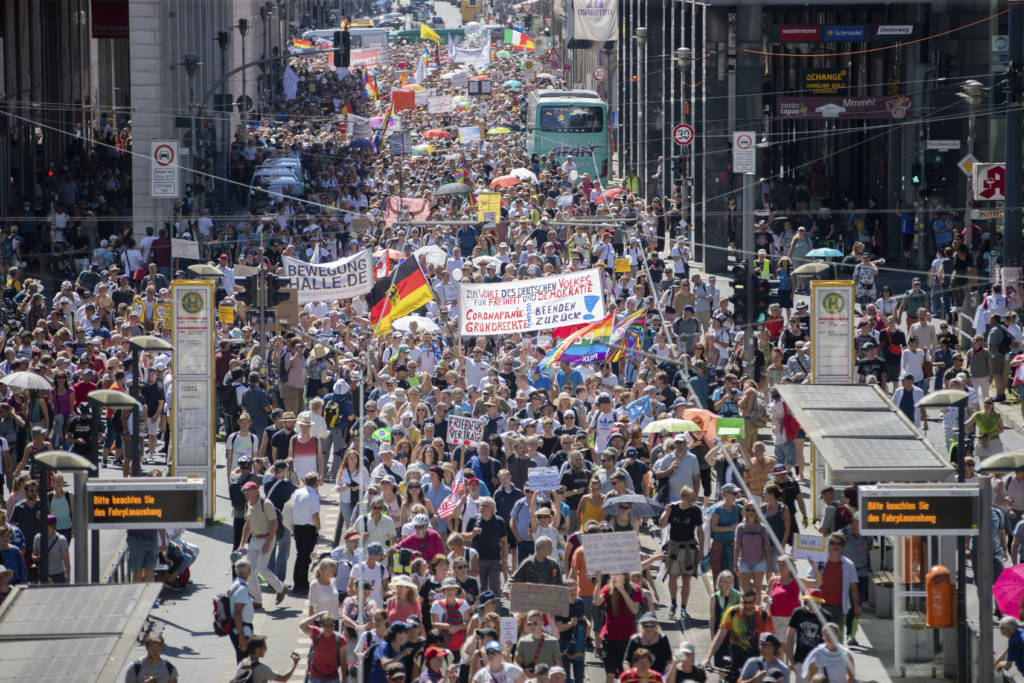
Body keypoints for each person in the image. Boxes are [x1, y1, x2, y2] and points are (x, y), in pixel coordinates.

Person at [701, 588, 774, 683]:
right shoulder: (732, 613)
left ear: (755, 600)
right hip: (736, 662)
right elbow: (720, 636)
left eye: (750, 602)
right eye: (745, 602)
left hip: (756, 664)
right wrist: (708, 657)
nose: (747, 605)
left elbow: (771, 643)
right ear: (741, 599)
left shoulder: (764, 616)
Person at [235, 480, 288, 607]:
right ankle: (257, 600)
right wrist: (242, 544)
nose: (245, 494)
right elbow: (247, 525)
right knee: (250, 570)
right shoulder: (248, 504)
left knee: (261, 568)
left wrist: (268, 543)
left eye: (247, 492)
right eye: (244, 492)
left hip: (266, 538)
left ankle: (280, 588)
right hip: (254, 539)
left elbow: (274, 524)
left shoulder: (266, 504)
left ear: (255, 492)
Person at [659, 485, 703, 620]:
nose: (691, 502)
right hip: (674, 546)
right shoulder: (673, 509)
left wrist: (701, 549)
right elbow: (662, 525)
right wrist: (667, 513)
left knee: (686, 579)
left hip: (689, 547)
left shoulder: (696, 511)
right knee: (672, 577)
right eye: (689, 500)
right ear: (682, 498)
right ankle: (673, 604)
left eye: (693, 500)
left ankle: (683, 608)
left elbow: (700, 530)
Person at [593, 573, 643, 683]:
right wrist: (598, 583)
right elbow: (596, 602)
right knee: (609, 673)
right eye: (614, 574)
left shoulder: (635, 589)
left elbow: (635, 610)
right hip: (609, 637)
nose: (616, 577)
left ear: (625, 576)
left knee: (625, 674)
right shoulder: (607, 588)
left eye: (619, 574)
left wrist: (623, 591)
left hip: (627, 639)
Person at [291, 471, 322, 595]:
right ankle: (303, 584)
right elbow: (315, 515)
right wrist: (318, 528)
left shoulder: (297, 493)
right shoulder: (313, 496)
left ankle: (298, 583)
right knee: (305, 557)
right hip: (309, 528)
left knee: (300, 555)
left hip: (298, 527)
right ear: (316, 483)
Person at [300, 610, 348, 683]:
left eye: (331, 625)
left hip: (332, 678)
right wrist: (317, 615)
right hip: (315, 677)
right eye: (326, 625)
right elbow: (302, 625)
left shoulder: (340, 639)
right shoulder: (316, 633)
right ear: (321, 625)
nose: (329, 628)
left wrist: (344, 679)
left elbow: (343, 663)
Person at [232, 635, 301, 683]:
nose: (266, 649)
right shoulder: (262, 669)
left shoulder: (243, 663)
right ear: (257, 650)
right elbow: (284, 678)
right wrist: (294, 664)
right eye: (264, 647)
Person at [229, 558, 256, 663]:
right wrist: (242, 637)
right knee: (244, 663)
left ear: (236, 570)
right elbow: (237, 613)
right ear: (249, 572)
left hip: (239, 629)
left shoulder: (235, 584)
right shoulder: (242, 589)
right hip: (242, 631)